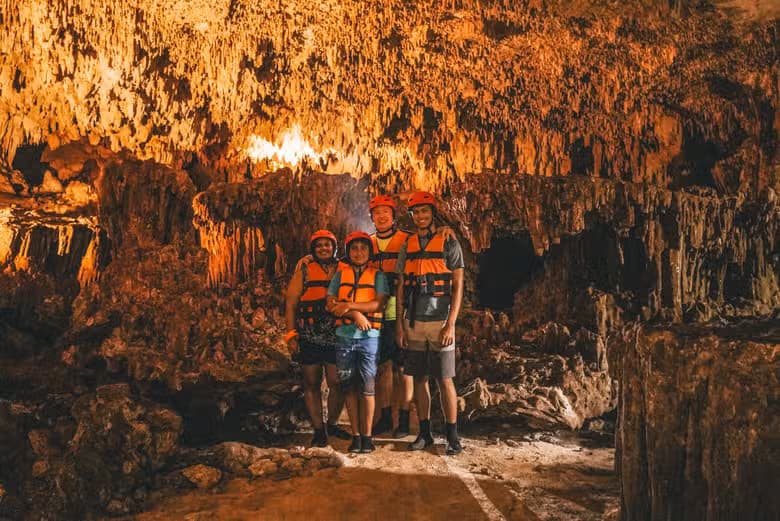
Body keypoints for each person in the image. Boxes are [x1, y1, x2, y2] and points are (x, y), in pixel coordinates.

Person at [368, 195, 458, 438]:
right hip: (377, 313)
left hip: (412, 312)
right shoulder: (367, 243)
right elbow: (349, 265)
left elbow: (451, 278)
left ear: (394, 215)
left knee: (405, 370)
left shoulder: (409, 240)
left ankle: (406, 419)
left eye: (386, 212)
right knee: (384, 368)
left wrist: (450, 322)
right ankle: (387, 417)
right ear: (372, 217)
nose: (382, 216)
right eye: (377, 213)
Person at [396, 191, 465, 455]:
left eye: (425, 211)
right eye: (416, 212)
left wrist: (451, 324)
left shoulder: (449, 242)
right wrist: (401, 325)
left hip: (440, 322)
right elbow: (402, 285)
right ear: (412, 216)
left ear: (432, 213)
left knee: (445, 379)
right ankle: (425, 433)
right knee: (420, 378)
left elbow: (458, 285)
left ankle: (452, 435)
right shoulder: (408, 244)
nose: (421, 216)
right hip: (414, 321)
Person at [284, 230, 351, 447]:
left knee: (337, 382)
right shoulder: (304, 270)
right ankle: (319, 430)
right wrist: (291, 334)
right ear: (313, 249)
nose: (323, 248)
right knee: (311, 383)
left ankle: (331, 423)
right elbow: (291, 304)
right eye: (319, 245)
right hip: (309, 333)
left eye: (327, 245)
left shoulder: (345, 269)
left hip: (337, 334)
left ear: (334, 247)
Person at [326, 231, 388, 453]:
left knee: (368, 388)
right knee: (349, 389)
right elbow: (330, 305)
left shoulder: (378, 276)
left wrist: (350, 307)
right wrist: (355, 316)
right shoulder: (340, 276)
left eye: (363, 248)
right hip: (344, 337)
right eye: (354, 248)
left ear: (369, 252)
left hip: (369, 339)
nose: (359, 252)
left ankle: (368, 437)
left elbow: (378, 304)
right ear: (348, 252)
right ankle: (356, 436)